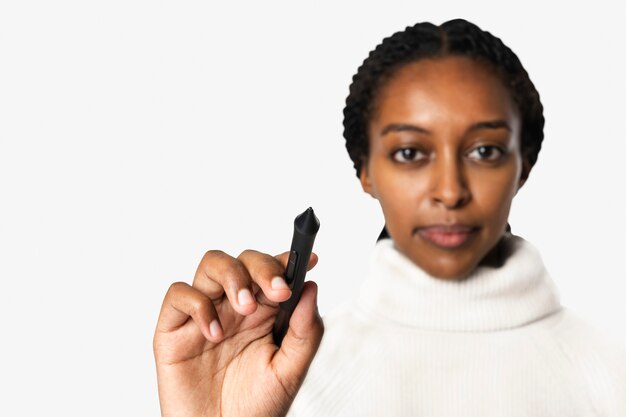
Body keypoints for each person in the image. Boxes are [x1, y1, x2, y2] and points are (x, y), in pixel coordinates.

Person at [153, 18, 626, 416]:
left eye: (484, 150)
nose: (449, 190)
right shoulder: (286, 377)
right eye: (409, 152)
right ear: (366, 171)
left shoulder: (611, 377)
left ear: (524, 165)